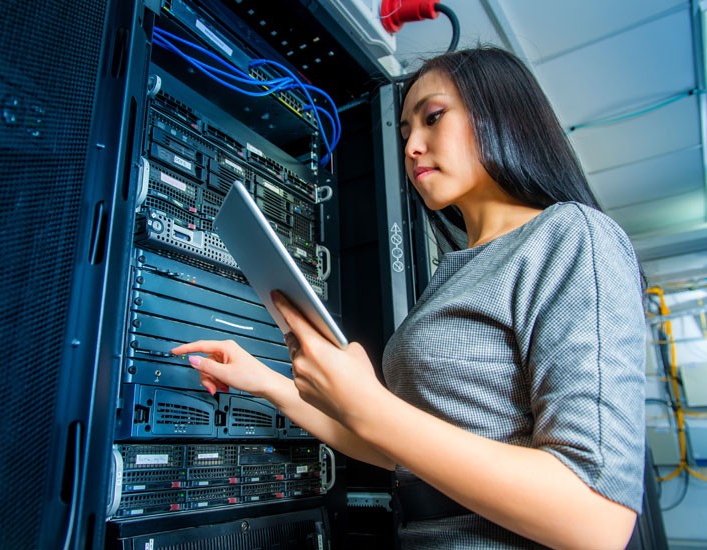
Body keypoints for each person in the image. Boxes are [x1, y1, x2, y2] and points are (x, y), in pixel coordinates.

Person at [172, 46, 646, 549]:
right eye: (403, 135)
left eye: (433, 118)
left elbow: (597, 520)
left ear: (502, 115)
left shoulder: (572, 238)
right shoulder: (455, 272)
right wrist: (268, 383)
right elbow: (402, 450)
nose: (413, 147)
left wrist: (372, 405)